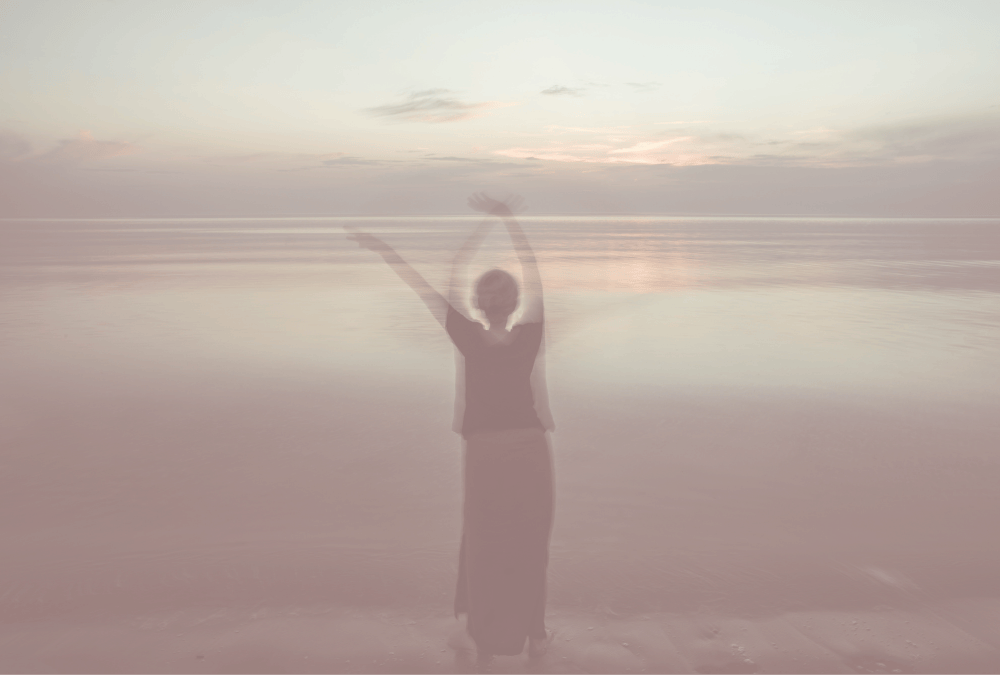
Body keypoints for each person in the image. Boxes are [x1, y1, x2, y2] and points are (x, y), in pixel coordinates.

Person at [345, 193, 554, 669]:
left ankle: (484, 643)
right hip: (528, 450)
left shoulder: (464, 333)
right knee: (529, 543)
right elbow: (533, 267)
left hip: (484, 453)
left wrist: (385, 250)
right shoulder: (531, 335)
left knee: (483, 544)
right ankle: (537, 637)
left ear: (479, 305)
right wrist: (506, 220)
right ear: (516, 303)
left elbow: (433, 280)